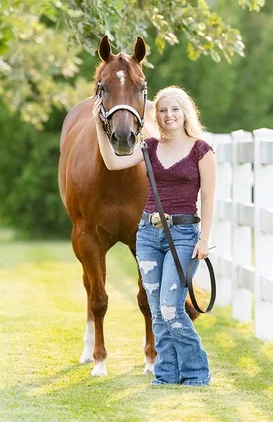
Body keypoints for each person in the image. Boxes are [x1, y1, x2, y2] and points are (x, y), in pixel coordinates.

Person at [92, 85, 215, 386]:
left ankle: (196, 372)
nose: (169, 115)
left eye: (175, 109)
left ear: (186, 112)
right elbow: (112, 162)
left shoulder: (202, 150)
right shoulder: (149, 148)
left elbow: (210, 199)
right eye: (162, 110)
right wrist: (98, 124)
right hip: (147, 233)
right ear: (155, 116)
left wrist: (205, 238)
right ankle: (166, 374)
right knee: (157, 310)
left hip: (184, 234)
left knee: (172, 306)